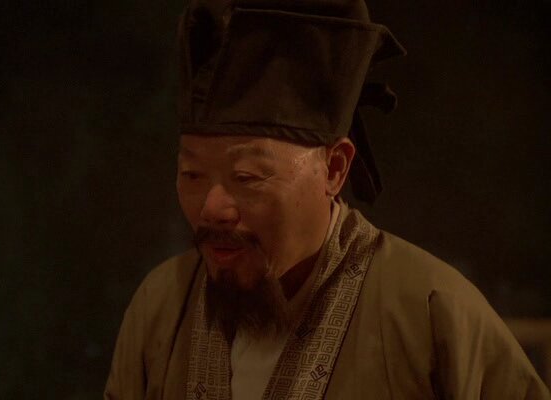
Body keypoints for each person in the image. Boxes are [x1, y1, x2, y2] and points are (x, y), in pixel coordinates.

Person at [104, 0, 551, 399]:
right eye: (192, 174)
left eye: (246, 177)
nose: (212, 208)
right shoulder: (162, 306)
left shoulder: (433, 312)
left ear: (334, 168)